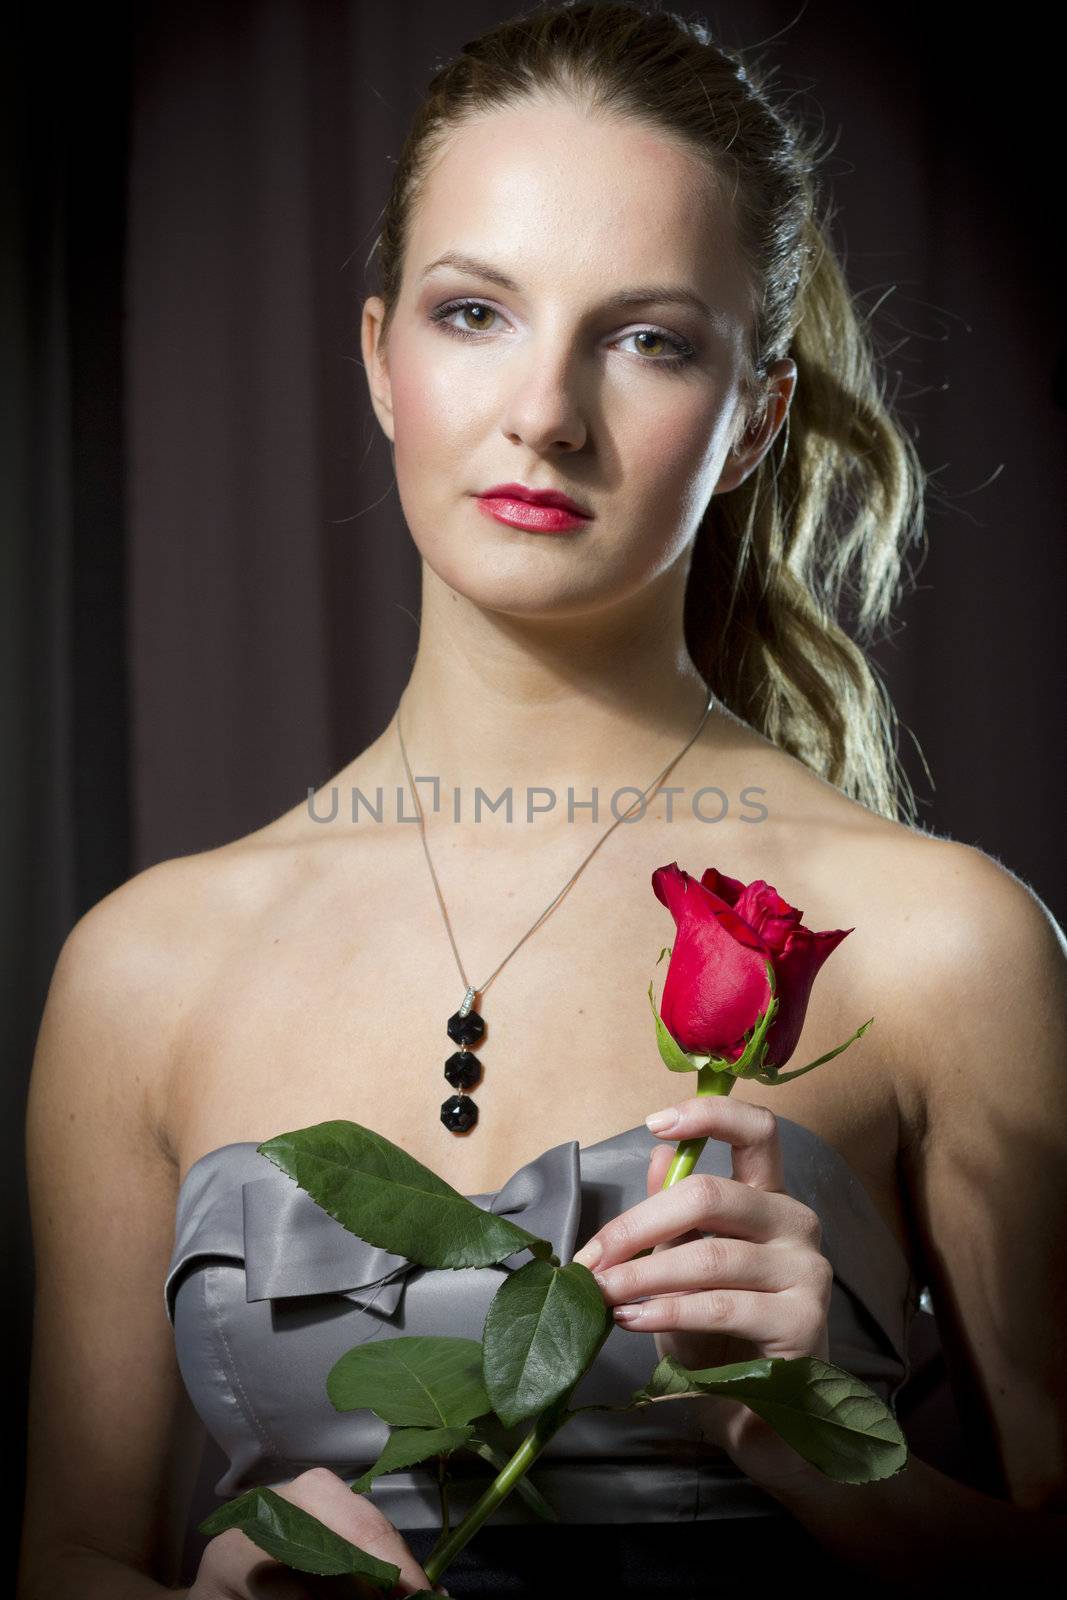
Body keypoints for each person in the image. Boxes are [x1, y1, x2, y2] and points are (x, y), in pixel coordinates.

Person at [17, 2, 1067, 1596]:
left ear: (754, 421)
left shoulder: (947, 950)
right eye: (474, 314)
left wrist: (797, 1439)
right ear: (379, 358)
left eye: (647, 338)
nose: (547, 413)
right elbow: (72, 1557)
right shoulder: (143, 970)